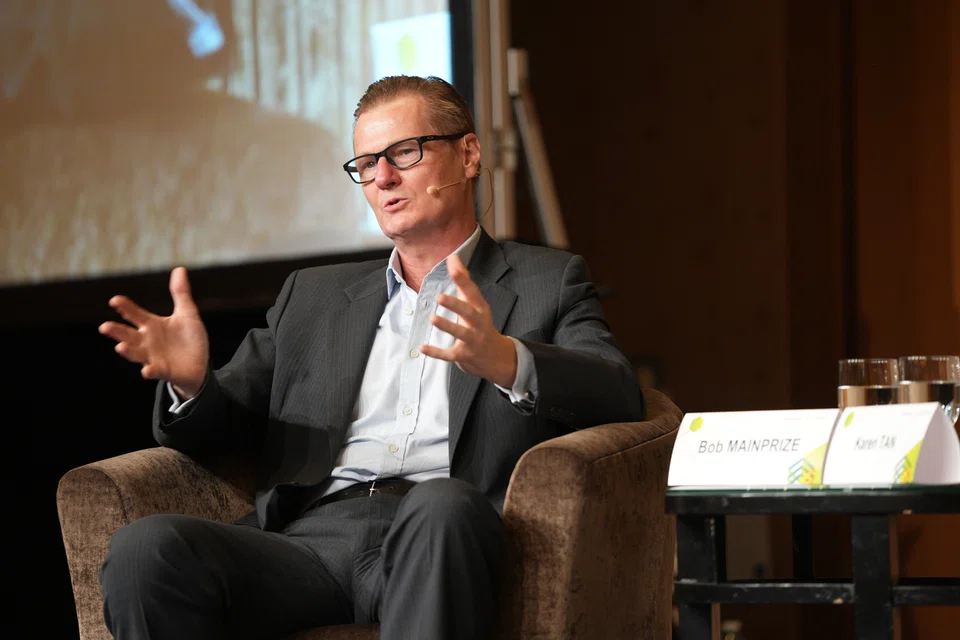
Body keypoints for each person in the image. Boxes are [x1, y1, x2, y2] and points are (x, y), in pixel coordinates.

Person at [97, 75, 645, 640]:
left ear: (469, 154)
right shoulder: (312, 297)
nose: (382, 177)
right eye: (365, 163)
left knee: (440, 507)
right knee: (148, 549)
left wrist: (508, 360)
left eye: (404, 153)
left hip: (441, 531)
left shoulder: (546, 281)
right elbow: (229, 421)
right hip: (312, 541)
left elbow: (618, 393)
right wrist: (191, 385)